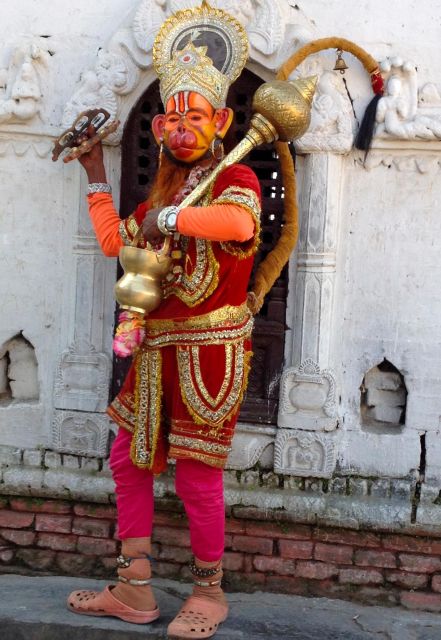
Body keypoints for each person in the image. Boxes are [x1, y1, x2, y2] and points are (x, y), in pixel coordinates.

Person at [66, 3, 261, 639]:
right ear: (156, 128)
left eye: (195, 116)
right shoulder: (166, 191)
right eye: (171, 117)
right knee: (129, 459)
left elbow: (240, 227)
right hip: (152, 349)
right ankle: (134, 587)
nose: (181, 128)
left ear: (222, 121)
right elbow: (115, 245)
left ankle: (210, 592)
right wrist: (98, 173)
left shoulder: (234, 179)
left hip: (208, 351)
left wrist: (171, 220)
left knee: (199, 475)